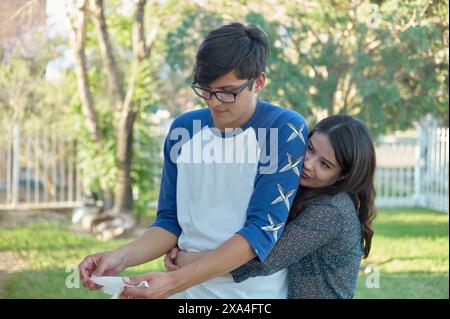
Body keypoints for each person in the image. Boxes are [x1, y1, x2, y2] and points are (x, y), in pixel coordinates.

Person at [79, 22, 308, 299]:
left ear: (258, 82)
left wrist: (173, 281)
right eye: (205, 90)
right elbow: (170, 222)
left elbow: (259, 233)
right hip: (185, 292)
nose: (214, 103)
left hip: (251, 295)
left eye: (227, 92)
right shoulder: (183, 130)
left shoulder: (284, 129)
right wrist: (119, 257)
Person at [164, 115, 377, 299]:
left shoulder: (332, 210)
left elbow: (260, 260)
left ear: (343, 176)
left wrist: (186, 258)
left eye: (325, 164)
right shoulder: (303, 189)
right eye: (309, 149)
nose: (309, 163)